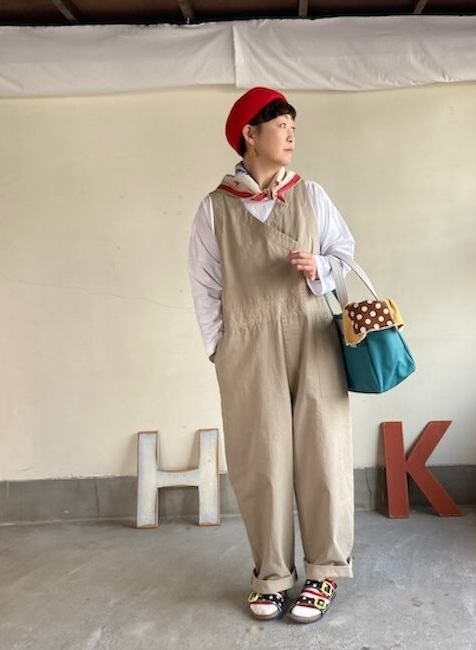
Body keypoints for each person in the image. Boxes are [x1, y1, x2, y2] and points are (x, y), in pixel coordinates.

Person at [188, 86, 356, 624]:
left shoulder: (312, 195)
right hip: (246, 344)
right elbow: (204, 284)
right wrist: (219, 348)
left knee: (323, 451)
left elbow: (344, 254)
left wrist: (320, 268)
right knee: (261, 459)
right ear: (249, 134)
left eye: (292, 126)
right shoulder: (215, 207)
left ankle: (324, 571)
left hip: (312, 335)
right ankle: (272, 575)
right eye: (281, 125)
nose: (291, 135)